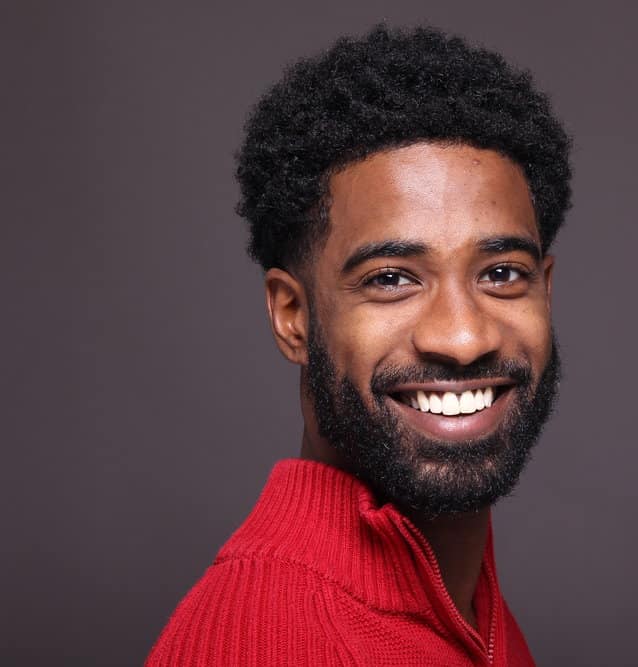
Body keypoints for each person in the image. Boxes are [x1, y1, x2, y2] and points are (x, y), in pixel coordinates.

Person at [147, 24, 571, 666]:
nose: (462, 338)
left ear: (545, 288)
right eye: (392, 279)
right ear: (294, 316)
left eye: (501, 273)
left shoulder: (463, 605)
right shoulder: (260, 643)